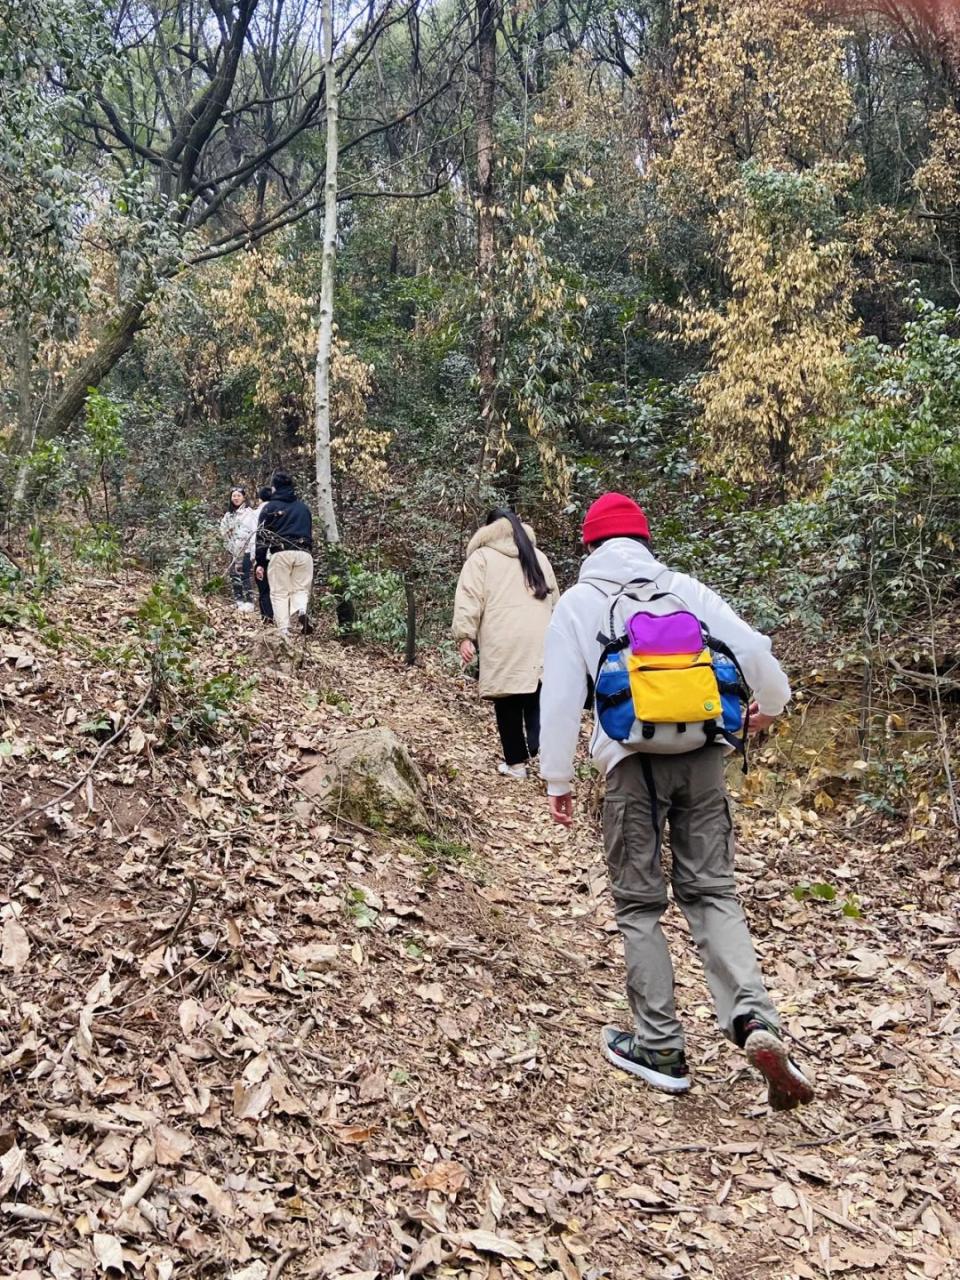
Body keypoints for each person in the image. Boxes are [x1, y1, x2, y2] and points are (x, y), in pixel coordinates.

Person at [540, 492, 814, 1111]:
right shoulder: (685, 589)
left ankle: (661, 1048)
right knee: (712, 891)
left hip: (629, 765)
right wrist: (771, 703)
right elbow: (753, 649)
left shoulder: (580, 603)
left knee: (640, 905)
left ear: (589, 546)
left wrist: (557, 778)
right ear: (644, 540)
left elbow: (557, 695)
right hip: (703, 758)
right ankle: (753, 1020)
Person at [452, 509, 559, 779]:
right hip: (541, 637)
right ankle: (543, 752)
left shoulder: (481, 558)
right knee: (536, 694)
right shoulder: (539, 558)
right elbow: (556, 600)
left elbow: (469, 597)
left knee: (507, 701)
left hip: (502, 639)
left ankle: (516, 765)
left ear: (488, 530)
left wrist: (466, 635)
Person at [256, 471, 314, 638]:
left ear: (274, 488)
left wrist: (260, 561)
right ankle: (301, 609)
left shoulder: (270, 507)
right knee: (301, 589)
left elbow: (262, 535)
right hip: (304, 553)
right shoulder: (304, 508)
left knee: (280, 592)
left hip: (281, 552)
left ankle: (284, 629)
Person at [219, 487, 257, 612]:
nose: (236, 498)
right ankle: (239, 600)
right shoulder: (229, 515)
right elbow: (223, 530)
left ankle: (249, 601)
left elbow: (253, 530)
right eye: (234, 496)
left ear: (244, 497)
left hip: (245, 548)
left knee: (245, 574)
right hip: (232, 548)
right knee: (234, 575)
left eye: (238, 496)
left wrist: (252, 548)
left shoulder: (249, 513)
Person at [253, 486, 274, 623]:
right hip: (279, 553)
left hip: (262, 554)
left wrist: (255, 559)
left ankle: (267, 618)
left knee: (264, 588)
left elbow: (255, 536)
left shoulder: (257, 513)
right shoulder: (282, 509)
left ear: (259, 498)